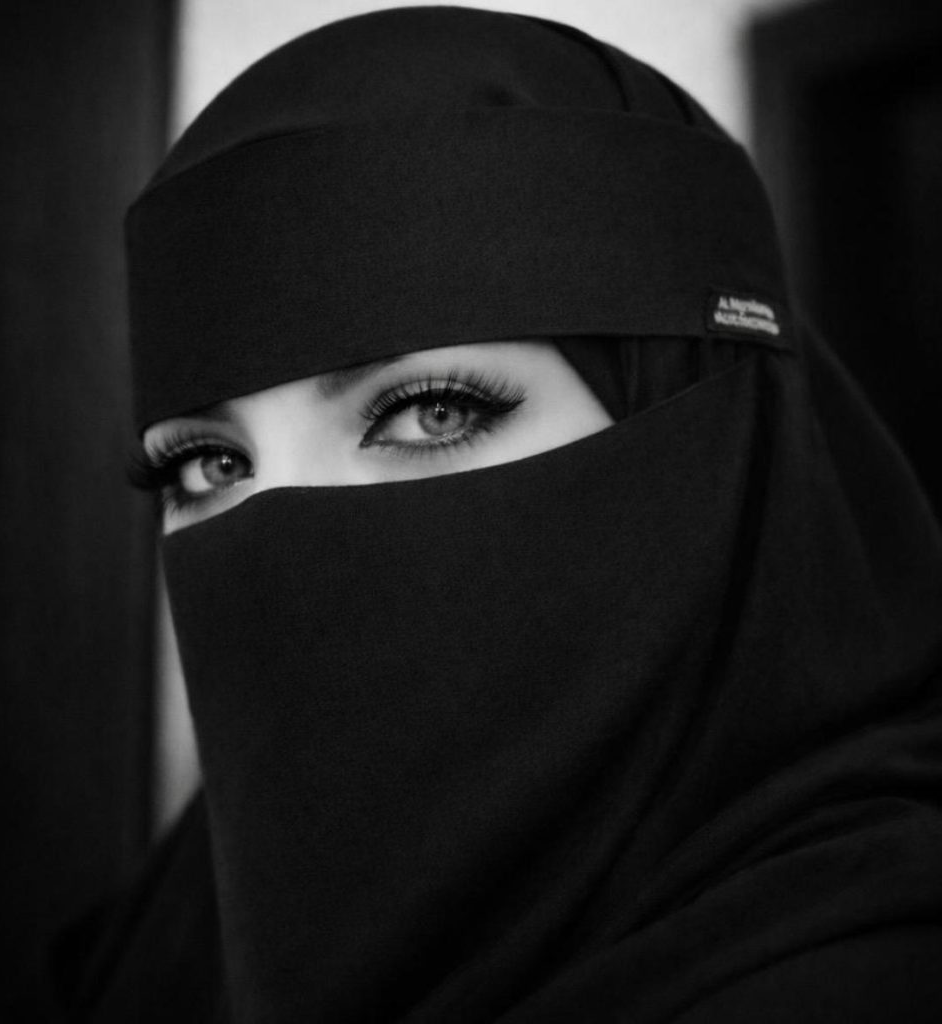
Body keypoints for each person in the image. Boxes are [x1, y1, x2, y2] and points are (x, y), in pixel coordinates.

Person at [62, 7, 942, 1022]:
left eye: (430, 412)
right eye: (211, 464)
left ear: (702, 429)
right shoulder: (173, 933)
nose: (280, 544)